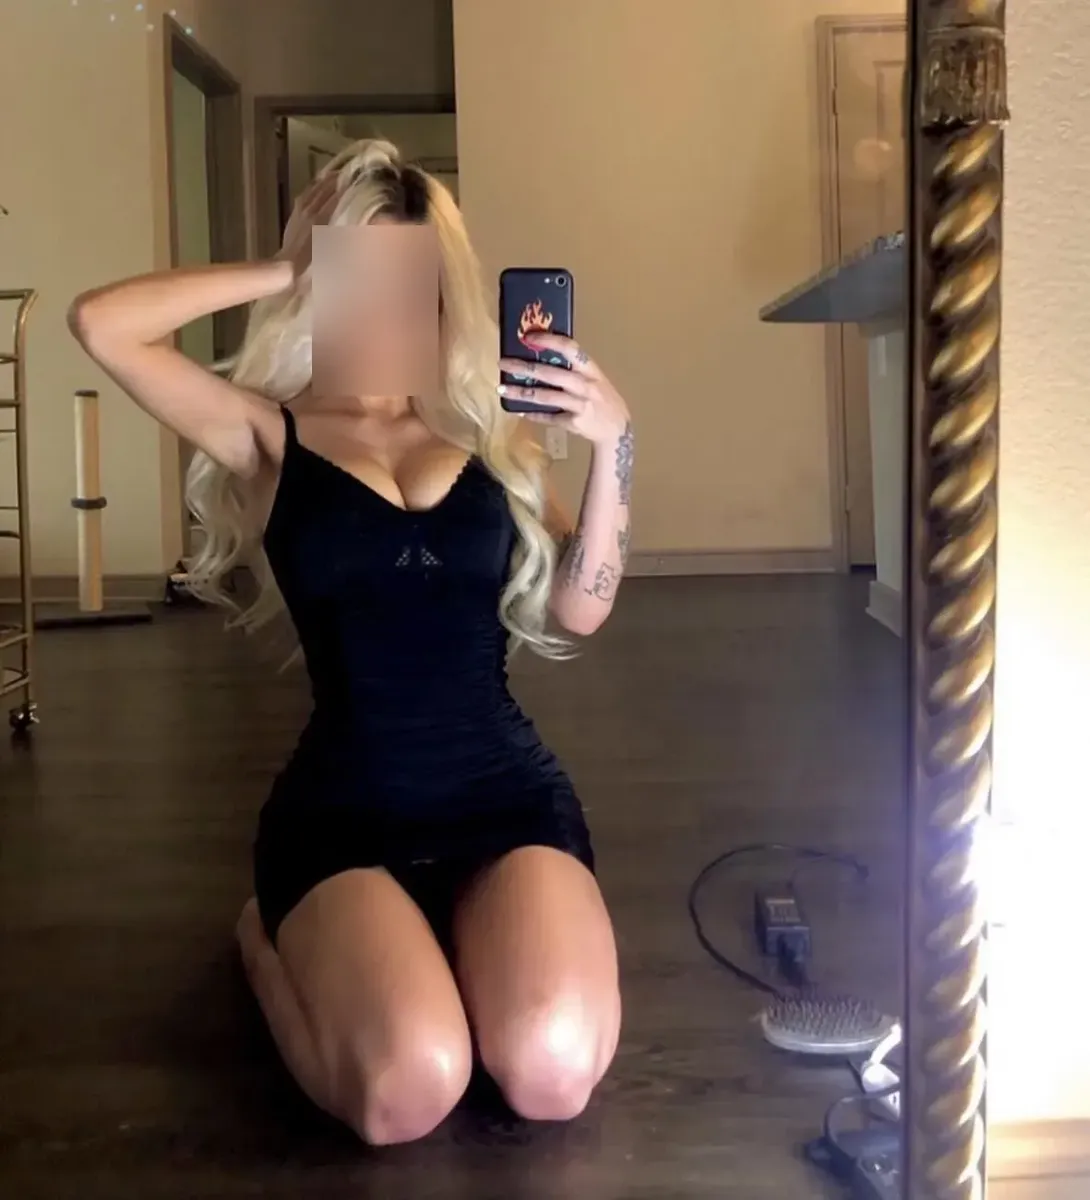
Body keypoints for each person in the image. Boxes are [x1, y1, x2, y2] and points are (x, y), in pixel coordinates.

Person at [67, 139, 633, 1146]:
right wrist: (290, 266)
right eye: (357, 280)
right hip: (343, 811)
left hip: (504, 795)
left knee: (551, 1073)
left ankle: (450, 939)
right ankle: (269, 943)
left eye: (407, 283)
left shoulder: (489, 436)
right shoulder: (265, 435)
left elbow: (581, 607)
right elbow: (101, 324)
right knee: (408, 1090)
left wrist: (615, 445)